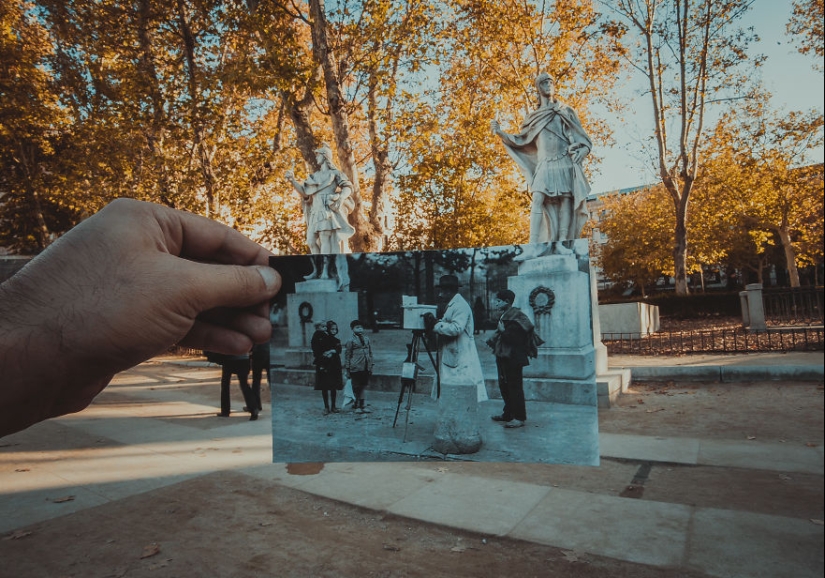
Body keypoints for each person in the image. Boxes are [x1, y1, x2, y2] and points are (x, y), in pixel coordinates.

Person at [0, 198, 281, 438]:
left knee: (244, 383)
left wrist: (29, 341)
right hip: (244, 356)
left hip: (242, 357)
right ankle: (250, 408)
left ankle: (246, 407)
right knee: (246, 383)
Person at [491, 72, 592, 250]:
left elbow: (583, 139)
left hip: (564, 161)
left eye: (550, 82)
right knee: (537, 197)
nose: (548, 85)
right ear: (538, 88)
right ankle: (533, 245)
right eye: (544, 82)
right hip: (544, 164)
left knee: (565, 200)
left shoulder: (565, 111)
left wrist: (582, 150)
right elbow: (520, 140)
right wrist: (500, 132)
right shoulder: (533, 117)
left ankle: (562, 243)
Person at [285, 144, 355, 279]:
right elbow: (305, 194)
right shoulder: (314, 176)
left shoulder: (335, 174)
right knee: (311, 241)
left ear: (324, 156)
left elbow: (348, 187)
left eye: (318, 155)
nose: (316, 157)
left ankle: (325, 272)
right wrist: (292, 180)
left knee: (324, 240)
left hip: (327, 210)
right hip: (315, 211)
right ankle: (316, 271)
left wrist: (341, 197)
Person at [422, 275, 487, 402]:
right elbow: (449, 323)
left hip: (460, 351)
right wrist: (437, 323)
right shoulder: (453, 304)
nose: (440, 295)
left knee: (459, 383)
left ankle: (458, 414)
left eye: (442, 291)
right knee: (452, 384)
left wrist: (435, 324)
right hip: (453, 350)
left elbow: (456, 328)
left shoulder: (460, 305)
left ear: (449, 291)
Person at [486, 290, 534, 429]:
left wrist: (502, 331)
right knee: (504, 386)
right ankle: (508, 413)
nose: (495, 303)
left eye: (498, 301)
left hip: (513, 357)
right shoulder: (506, 315)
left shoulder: (516, 316)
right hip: (504, 356)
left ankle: (519, 417)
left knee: (514, 387)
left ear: (507, 302)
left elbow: (516, 339)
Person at [311, 320, 344, 415]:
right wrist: (324, 355)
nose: (334, 331)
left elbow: (338, 349)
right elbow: (318, 349)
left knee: (333, 386)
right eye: (331, 329)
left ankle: (333, 406)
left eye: (335, 329)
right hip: (324, 364)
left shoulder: (336, 340)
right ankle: (326, 407)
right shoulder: (322, 338)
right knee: (324, 386)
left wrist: (332, 351)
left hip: (334, 364)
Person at [214, 351, 258, 420]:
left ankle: (225, 411)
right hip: (244, 359)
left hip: (229, 359)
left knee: (225, 384)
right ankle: (253, 408)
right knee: (244, 384)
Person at [344, 320, 374, 414]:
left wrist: (371, 364)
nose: (359, 329)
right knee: (356, 387)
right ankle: (356, 405)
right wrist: (348, 369)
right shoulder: (350, 341)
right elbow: (347, 355)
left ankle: (363, 405)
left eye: (361, 327)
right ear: (352, 329)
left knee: (363, 386)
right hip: (355, 367)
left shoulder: (366, 339)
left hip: (365, 367)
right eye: (357, 327)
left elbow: (370, 352)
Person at [248, 341, 270, 413]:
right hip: (268, 352)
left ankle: (256, 405)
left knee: (256, 381)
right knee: (271, 379)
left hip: (258, 353)